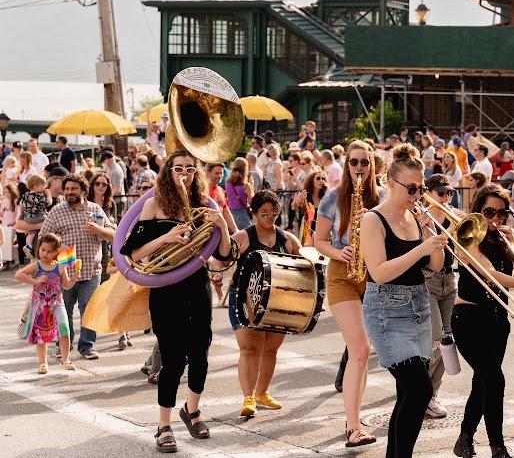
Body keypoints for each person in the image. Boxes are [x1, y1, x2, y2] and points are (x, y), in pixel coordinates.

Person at [120, 149, 232, 452]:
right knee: (172, 359)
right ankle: (163, 425)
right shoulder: (154, 205)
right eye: (178, 168)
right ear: (168, 171)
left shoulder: (203, 206)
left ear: (197, 173)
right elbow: (134, 253)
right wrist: (166, 238)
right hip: (166, 288)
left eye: (190, 169)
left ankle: (192, 410)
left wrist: (221, 225)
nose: (184, 174)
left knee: (200, 354)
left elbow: (223, 254)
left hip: (197, 284)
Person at [361, 144, 446, 458]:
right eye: (412, 188)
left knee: (407, 393)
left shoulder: (416, 217)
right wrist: (421, 249)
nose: (418, 194)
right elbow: (379, 272)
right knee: (421, 390)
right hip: (386, 310)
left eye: (421, 188)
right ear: (391, 185)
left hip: (419, 307)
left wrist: (432, 238)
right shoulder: (373, 220)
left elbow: (434, 266)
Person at [452, 184, 514, 458]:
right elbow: (489, 274)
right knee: (495, 381)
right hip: (468, 318)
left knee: (483, 381)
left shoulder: (502, 239)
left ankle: (464, 438)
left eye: (502, 213)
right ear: (479, 210)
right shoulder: (468, 235)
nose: (495, 218)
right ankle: (497, 446)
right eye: (489, 212)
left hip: (496, 319)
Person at [314, 139, 385, 447]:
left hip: (374, 274)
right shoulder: (332, 197)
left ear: (373, 165)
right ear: (347, 166)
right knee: (358, 348)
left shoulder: (383, 197)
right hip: (342, 274)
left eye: (364, 163)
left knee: (363, 351)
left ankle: (352, 417)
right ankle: (353, 428)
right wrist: (337, 252)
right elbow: (318, 240)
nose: (359, 168)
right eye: (354, 163)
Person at [226, 189, 301, 417]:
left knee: (270, 349)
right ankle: (248, 398)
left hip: (277, 301)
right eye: (264, 213)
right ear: (254, 213)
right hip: (245, 299)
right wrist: (220, 273)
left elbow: (305, 264)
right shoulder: (243, 237)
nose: (270, 217)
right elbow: (222, 258)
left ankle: (262, 393)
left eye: (274, 213)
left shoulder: (287, 239)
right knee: (250, 348)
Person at [40, 174, 116, 360]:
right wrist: (58, 246)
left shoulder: (95, 209)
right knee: (63, 309)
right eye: (67, 189)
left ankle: (88, 346)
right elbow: (43, 237)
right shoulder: (57, 211)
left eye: (73, 189)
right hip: (64, 272)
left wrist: (98, 229)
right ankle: (62, 346)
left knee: (89, 310)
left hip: (91, 269)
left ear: (83, 190)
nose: (69, 192)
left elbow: (113, 234)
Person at [15, 233, 79, 374]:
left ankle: (65, 360)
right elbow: (18, 274)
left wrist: (73, 279)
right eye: (42, 250)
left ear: (56, 252)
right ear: (38, 249)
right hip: (40, 305)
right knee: (40, 334)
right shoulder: (36, 266)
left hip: (57, 303)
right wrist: (35, 281)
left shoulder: (60, 267)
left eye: (49, 251)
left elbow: (66, 285)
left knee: (65, 329)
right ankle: (43, 363)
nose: (45, 253)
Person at [421, 174, 459, 419]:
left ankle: (431, 394)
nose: (446, 198)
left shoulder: (454, 216)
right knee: (436, 340)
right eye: (441, 193)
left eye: (449, 193)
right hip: (428, 281)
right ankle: (422, 393)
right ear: (429, 194)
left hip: (450, 280)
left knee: (449, 339)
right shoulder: (421, 217)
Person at [293, 169, 328, 247]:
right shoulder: (305, 197)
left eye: (323, 179)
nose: (321, 181)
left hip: (322, 234)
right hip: (307, 235)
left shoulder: (325, 197)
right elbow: (298, 215)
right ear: (311, 181)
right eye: (318, 178)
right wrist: (298, 201)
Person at [21, 174, 52, 259]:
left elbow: (22, 206)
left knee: (31, 233)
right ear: (36, 186)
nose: (45, 187)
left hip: (28, 218)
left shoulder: (25, 195)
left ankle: (28, 245)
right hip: (38, 217)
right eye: (44, 185)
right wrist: (48, 194)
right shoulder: (40, 196)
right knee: (49, 219)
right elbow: (49, 203)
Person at [226, 157, 254, 230]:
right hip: (242, 215)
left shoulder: (228, 183)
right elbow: (253, 201)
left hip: (230, 215)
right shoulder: (246, 186)